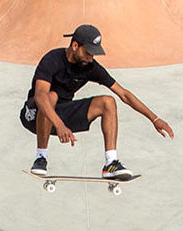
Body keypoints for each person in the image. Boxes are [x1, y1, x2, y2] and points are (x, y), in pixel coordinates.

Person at [21, 24, 173, 180]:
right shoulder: (53, 59)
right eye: (88, 53)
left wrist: (154, 118)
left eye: (93, 55)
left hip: (62, 115)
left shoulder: (90, 67)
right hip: (34, 115)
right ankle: (41, 157)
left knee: (108, 102)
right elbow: (40, 95)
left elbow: (124, 94)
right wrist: (59, 125)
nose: (90, 58)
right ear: (75, 46)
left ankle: (110, 163)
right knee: (51, 96)